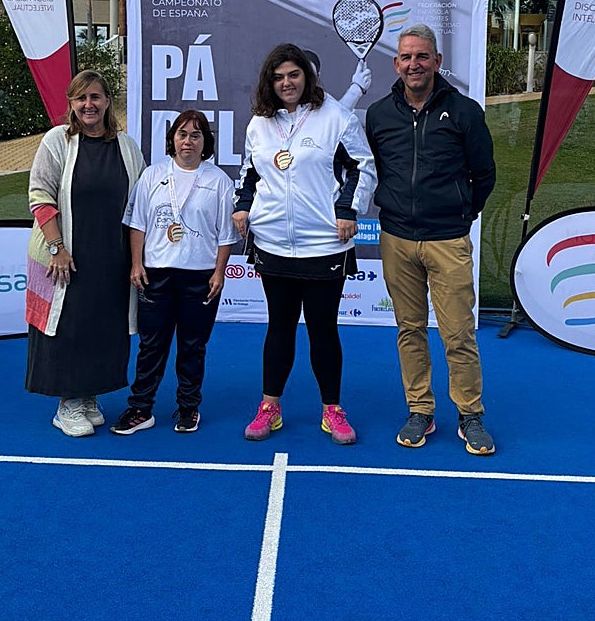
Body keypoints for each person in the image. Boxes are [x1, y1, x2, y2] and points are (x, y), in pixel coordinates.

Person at [233, 43, 376, 445]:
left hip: (323, 245)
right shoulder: (259, 123)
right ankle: (269, 408)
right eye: (278, 77)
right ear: (269, 82)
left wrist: (348, 209)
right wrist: (242, 206)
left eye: (293, 75)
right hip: (273, 243)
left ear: (306, 77)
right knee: (278, 328)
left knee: (323, 329)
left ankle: (332, 409)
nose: (286, 83)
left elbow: (362, 168)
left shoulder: (336, 116)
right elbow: (250, 172)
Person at [365, 24, 497, 455]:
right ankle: (420, 408)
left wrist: (461, 212)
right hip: (397, 238)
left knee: (458, 334)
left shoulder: (464, 111)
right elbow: (374, 171)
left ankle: (470, 414)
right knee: (410, 329)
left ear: (437, 62)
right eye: (406, 57)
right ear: (396, 63)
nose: (414, 64)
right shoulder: (380, 114)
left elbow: (485, 175)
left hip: (448, 240)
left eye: (422, 56)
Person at [26, 69, 146, 437]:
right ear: (72, 105)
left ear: (108, 102)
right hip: (65, 256)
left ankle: (88, 397)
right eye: (81, 99)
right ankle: (68, 403)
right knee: (69, 327)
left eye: (95, 97)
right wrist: (57, 247)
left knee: (105, 327)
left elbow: (140, 204)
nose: (88, 105)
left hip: (112, 257)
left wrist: (138, 259)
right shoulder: (56, 141)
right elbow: (40, 195)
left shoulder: (126, 147)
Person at [111, 110, 238, 435]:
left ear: (205, 142)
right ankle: (141, 408)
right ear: (173, 140)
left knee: (193, 346)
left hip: (201, 277)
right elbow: (137, 223)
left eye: (195, 135)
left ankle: (188, 408)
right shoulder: (152, 176)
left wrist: (219, 273)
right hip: (156, 275)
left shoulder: (219, 181)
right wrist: (137, 264)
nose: (188, 141)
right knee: (152, 345)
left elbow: (226, 234)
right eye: (182, 134)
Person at [304, 49, 372, 111]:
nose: (304, 79)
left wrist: (357, 87)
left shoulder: (323, 102)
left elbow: (336, 116)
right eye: (296, 74)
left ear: (317, 77)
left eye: (310, 75)